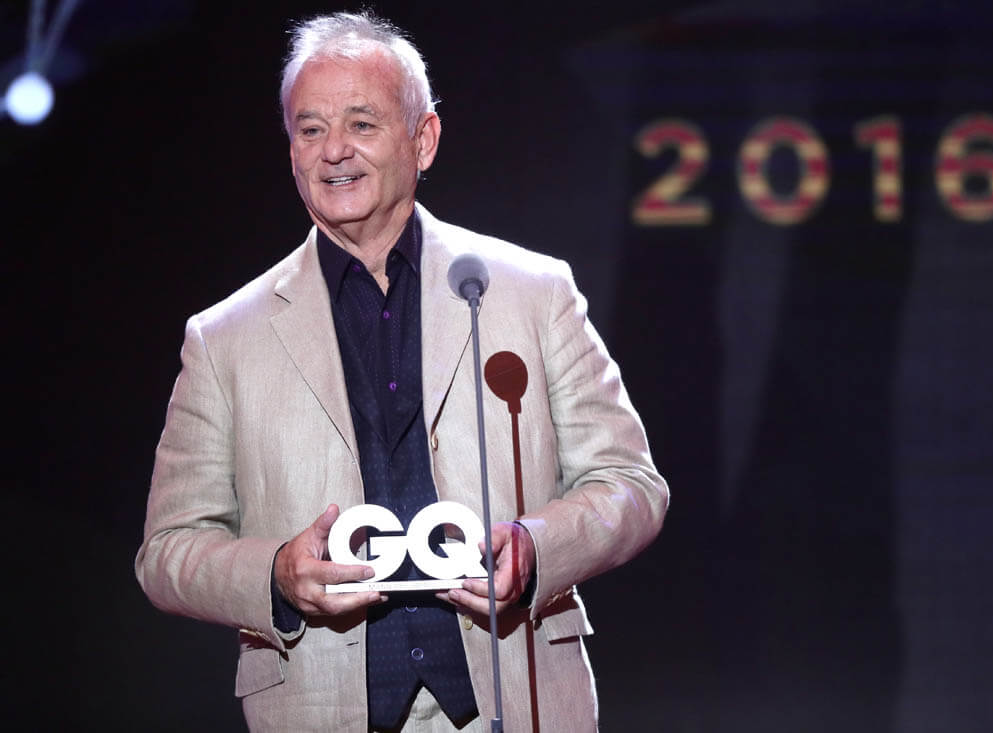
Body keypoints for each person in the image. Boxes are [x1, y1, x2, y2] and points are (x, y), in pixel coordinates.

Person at [135, 9, 668, 732]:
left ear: (424, 139)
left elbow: (631, 484)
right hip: (320, 705)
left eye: (361, 123)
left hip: (516, 696)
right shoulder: (224, 338)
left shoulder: (530, 292)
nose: (334, 151)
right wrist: (277, 574)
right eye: (310, 129)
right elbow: (167, 551)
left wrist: (534, 548)